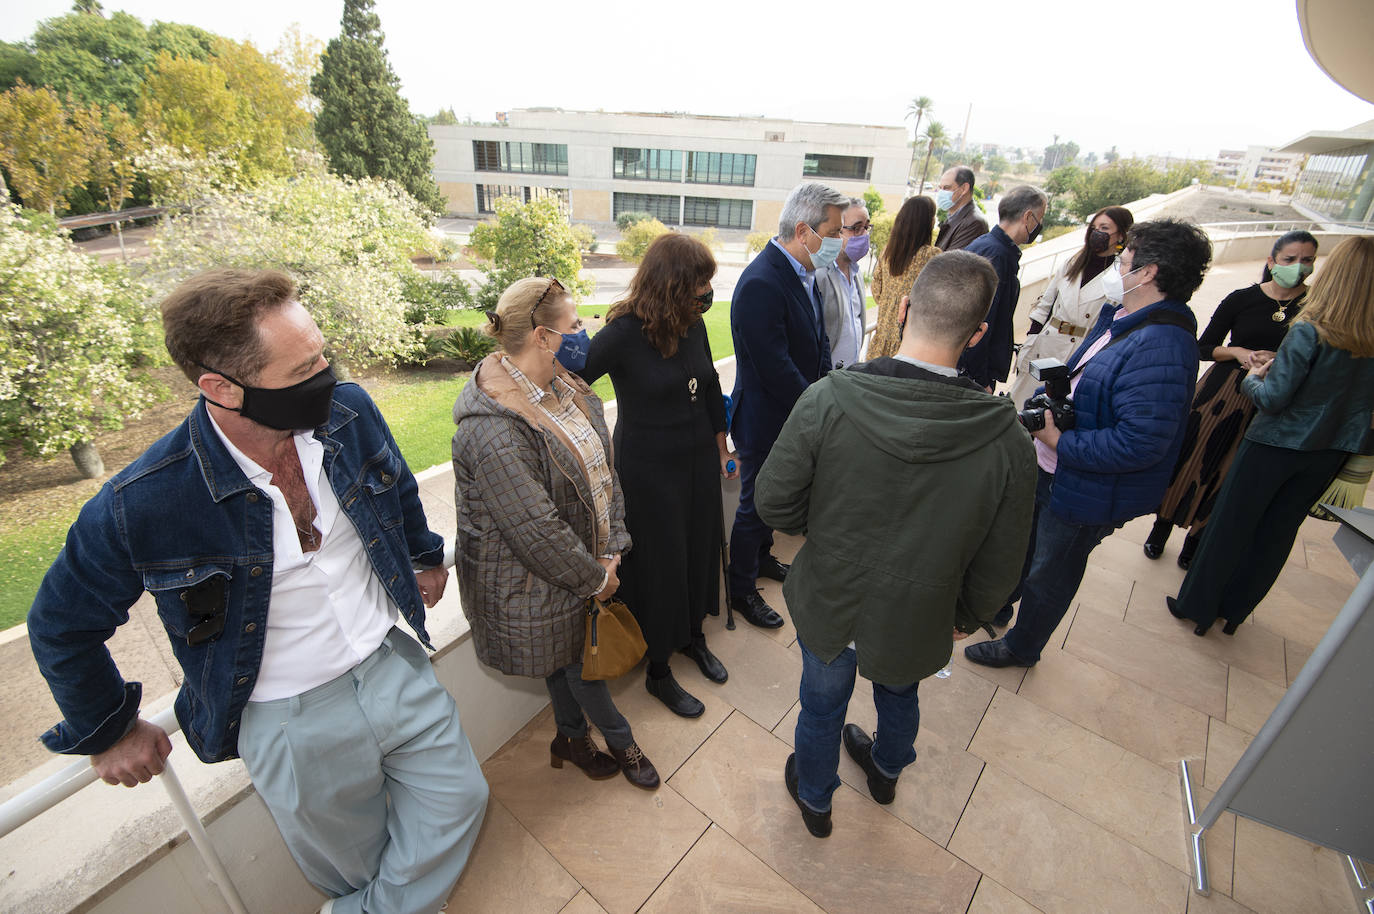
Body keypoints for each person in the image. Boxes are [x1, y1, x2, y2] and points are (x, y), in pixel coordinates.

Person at [27, 269, 489, 914]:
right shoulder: (145, 501)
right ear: (221, 388)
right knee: (356, 864)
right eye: (304, 370)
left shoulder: (349, 413)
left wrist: (422, 554)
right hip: (289, 719)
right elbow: (60, 625)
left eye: (323, 354)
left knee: (462, 798)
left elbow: (398, 484)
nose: (328, 375)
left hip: (393, 663)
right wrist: (107, 729)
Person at [756, 251, 1036, 837]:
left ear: (904, 308)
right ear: (980, 332)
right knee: (900, 691)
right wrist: (967, 614)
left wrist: (828, 529)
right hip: (920, 610)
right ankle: (885, 770)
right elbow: (1004, 556)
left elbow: (774, 503)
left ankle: (815, 798)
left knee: (821, 705)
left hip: (832, 597)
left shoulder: (827, 398)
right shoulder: (1008, 440)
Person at [966, 219, 1212, 668]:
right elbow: (1083, 380)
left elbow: (1141, 443)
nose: (1117, 265)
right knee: (1024, 548)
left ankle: (1022, 647)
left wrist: (1058, 439)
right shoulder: (1124, 317)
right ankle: (998, 604)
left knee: (1051, 572)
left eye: (1124, 259)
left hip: (1084, 486)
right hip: (1055, 469)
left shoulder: (1164, 345)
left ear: (1149, 272)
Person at [451, 277, 660, 789]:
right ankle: (620, 738)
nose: (584, 330)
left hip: (580, 563)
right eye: (574, 324)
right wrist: (596, 578)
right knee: (576, 664)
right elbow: (535, 530)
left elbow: (602, 472)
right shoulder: (493, 429)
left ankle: (569, 737)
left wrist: (612, 547)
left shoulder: (566, 386)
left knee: (566, 658)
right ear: (544, 337)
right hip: (538, 576)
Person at [1167, 235, 1374, 636]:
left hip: (1273, 443)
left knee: (1231, 524)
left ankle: (1197, 606)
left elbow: (1274, 399)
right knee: (1278, 535)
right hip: (1329, 452)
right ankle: (1235, 612)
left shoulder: (1311, 330)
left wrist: (1252, 379)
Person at [580, 234, 737, 719]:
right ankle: (659, 670)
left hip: (695, 461)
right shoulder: (624, 332)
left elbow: (709, 383)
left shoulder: (692, 321)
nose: (706, 292)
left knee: (698, 548)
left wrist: (721, 443)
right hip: (648, 470)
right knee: (663, 564)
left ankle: (692, 636)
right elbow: (572, 378)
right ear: (672, 283)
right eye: (699, 282)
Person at [1144, 231, 1320, 568]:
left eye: (1307, 260)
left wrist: (1280, 363)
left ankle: (1196, 541)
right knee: (1190, 458)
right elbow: (1203, 346)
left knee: (1229, 473)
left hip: (1270, 400)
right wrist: (1238, 352)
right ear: (1272, 261)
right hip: (1221, 393)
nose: (1299, 267)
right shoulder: (1243, 299)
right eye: (1290, 259)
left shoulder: (1313, 310)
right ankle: (1161, 526)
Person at [727, 182, 846, 629]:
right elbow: (774, 366)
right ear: (804, 230)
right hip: (765, 418)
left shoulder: (804, 271)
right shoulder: (762, 281)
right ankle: (740, 587)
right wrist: (816, 406)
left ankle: (761, 560)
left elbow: (817, 341)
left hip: (793, 413)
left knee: (773, 501)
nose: (841, 240)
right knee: (756, 504)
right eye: (834, 230)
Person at [1008, 206, 1134, 406]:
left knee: (1051, 413)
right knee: (1019, 405)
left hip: (1079, 352)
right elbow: (1045, 306)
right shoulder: (1072, 262)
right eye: (1094, 227)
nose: (1097, 232)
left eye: (1104, 228)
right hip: (1046, 345)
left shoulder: (1120, 275)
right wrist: (1031, 339)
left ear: (1120, 235)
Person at [959, 185, 1049, 391]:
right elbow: (981, 321)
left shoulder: (992, 247)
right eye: (1040, 218)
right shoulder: (996, 256)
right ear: (1028, 217)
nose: (1040, 224)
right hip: (972, 375)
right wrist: (980, 380)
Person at [868, 195, 940, 360]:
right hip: (910, 343)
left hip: (881, 340)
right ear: (926, 222)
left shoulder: (887, 252)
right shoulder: (931, 256)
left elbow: (876, 291)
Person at [816, 197, 872, 368]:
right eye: (856, 228)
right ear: (837, 230)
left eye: (866, 227)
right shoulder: (819, 275)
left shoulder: (856, 273)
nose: (864, 235)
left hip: (848, 378)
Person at [934, 166, 988, 252]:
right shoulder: (954, 216)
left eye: (947, 188)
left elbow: (949, 262)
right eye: (940, 188)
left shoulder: (974, 223)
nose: (941, 192)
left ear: (964, 189)